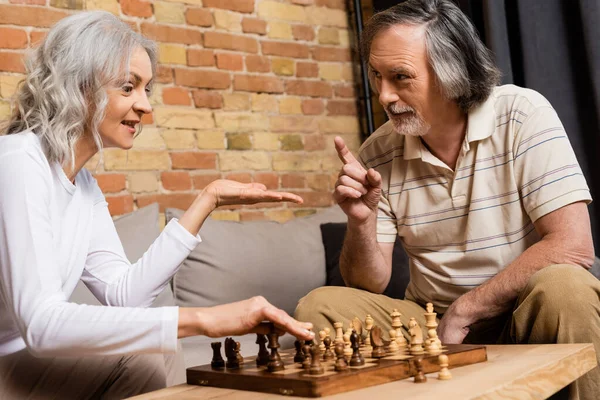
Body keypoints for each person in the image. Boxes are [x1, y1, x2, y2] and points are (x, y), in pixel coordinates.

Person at [0, 11, 314, 399]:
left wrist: (207, 199)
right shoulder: (17, 161)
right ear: (79, 87)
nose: (146, 106)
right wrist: (205, 319)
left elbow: (124, 296)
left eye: (146, 89)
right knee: (144, 353)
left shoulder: (83, 184)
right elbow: (42, 325)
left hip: (25, 361)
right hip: (10, 362)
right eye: (128, 87)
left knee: (151, 347)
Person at [294, 1, 600, 399]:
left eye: (400, 77)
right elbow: (368, 282)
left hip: (524, 310)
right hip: (431, 323)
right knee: (319, 307)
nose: (384, 96)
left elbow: (573, 246)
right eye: (377, 76)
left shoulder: (522, 114)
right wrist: (360, 220)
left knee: (568, 286)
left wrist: (467, 308)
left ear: (451, 72)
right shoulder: (377, 153)